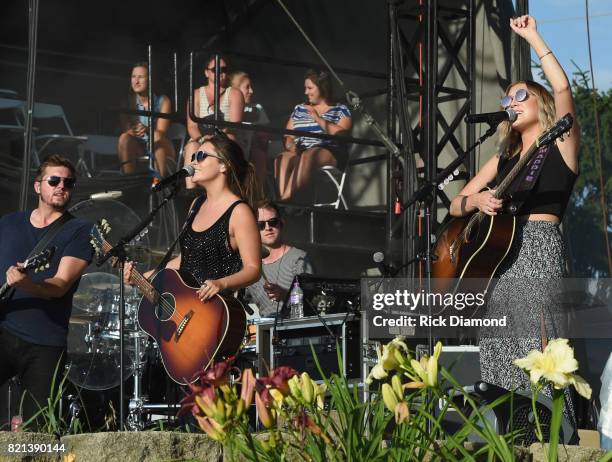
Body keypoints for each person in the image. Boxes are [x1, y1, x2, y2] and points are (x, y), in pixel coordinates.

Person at [448, 16, 580, 400]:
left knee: (536, 340)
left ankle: (551, 431)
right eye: (506, 99)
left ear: (541, 102)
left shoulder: (562, 142)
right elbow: (457, 203)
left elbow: (563, 86)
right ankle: (510, 425)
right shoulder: (503, 157)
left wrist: (533, 37)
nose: (510, 103)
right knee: (497, 339)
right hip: (502, 255)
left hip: (538, 244)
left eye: (520, 95)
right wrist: (475, 200)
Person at [0, 155, 93, 426]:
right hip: (4, 330)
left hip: (45, 343)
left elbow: (60, 285)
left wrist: (26, 284)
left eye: (68, 182)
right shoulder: (8, 224)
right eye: (54, 180)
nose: (61, 186)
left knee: (36, 431)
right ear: (38, 186)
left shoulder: (79, 231)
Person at [124, 134, 261, 303]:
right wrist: (143, 277)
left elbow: (253, 269)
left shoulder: (239, 212)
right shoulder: (197, 204)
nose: (194, 162)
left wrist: (221, 283)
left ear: (224, 165)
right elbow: (186, 258)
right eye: (193, 156)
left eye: (201, 156)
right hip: (186, 306)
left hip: (216, 309)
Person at [275, 69, 352, 201]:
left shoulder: (341, 110)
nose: (306, 92)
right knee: (282, 158)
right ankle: (284, 199)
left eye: (310, 88)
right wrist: (290, 144)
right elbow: (287, 135)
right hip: (301, 152)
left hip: (329, 152)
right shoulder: (300, 108)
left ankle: (283, 202)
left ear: (323, 88)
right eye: (305, 88)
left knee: (310, 154)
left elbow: (342, 134)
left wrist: (318, 118)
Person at [184, 55, 245, 189]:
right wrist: (201, 140)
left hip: (225, 137)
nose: (220, 73)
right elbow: (191, 126)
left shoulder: (234, 93)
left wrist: (216, 138)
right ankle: (190, 191)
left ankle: (224, 187)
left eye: (224, 69)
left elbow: (234, 125)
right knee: (191, 147)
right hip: (201, 138)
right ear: (206, 72)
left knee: (228, 141)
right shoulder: (196, 94)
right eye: (215, 69)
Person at [246, 201, 312, 318]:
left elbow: (312, 302)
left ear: (281, 223)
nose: (268, 228)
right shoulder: (250, 266)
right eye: (261, 225)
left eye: (273, 222)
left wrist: (284, 295)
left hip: (295, 328)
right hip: (264, 331)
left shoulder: (299, 258)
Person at [117, 62, 176, 177]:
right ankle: (129, 183)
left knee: (156, 136)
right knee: (124, 137)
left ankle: (160, 183)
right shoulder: (127, 103)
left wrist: (147, 129)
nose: (136, 81)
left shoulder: (163, 101)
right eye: (133, 77)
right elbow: (127, 130)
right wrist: (132, 131)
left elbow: (161, 133)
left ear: (150, 80)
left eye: (140, 77)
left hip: (161, 147)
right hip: (138, 148)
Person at [229, 71, 270, 183]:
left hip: (251, 151)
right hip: (232, 150)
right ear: (235, 90)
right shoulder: (226, 106)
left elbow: (264, 138)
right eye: (247, 87)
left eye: (251, 87)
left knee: (259, 155)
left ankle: (257, 195)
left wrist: (259, 136)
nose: (251, 91)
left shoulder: (257, 108)